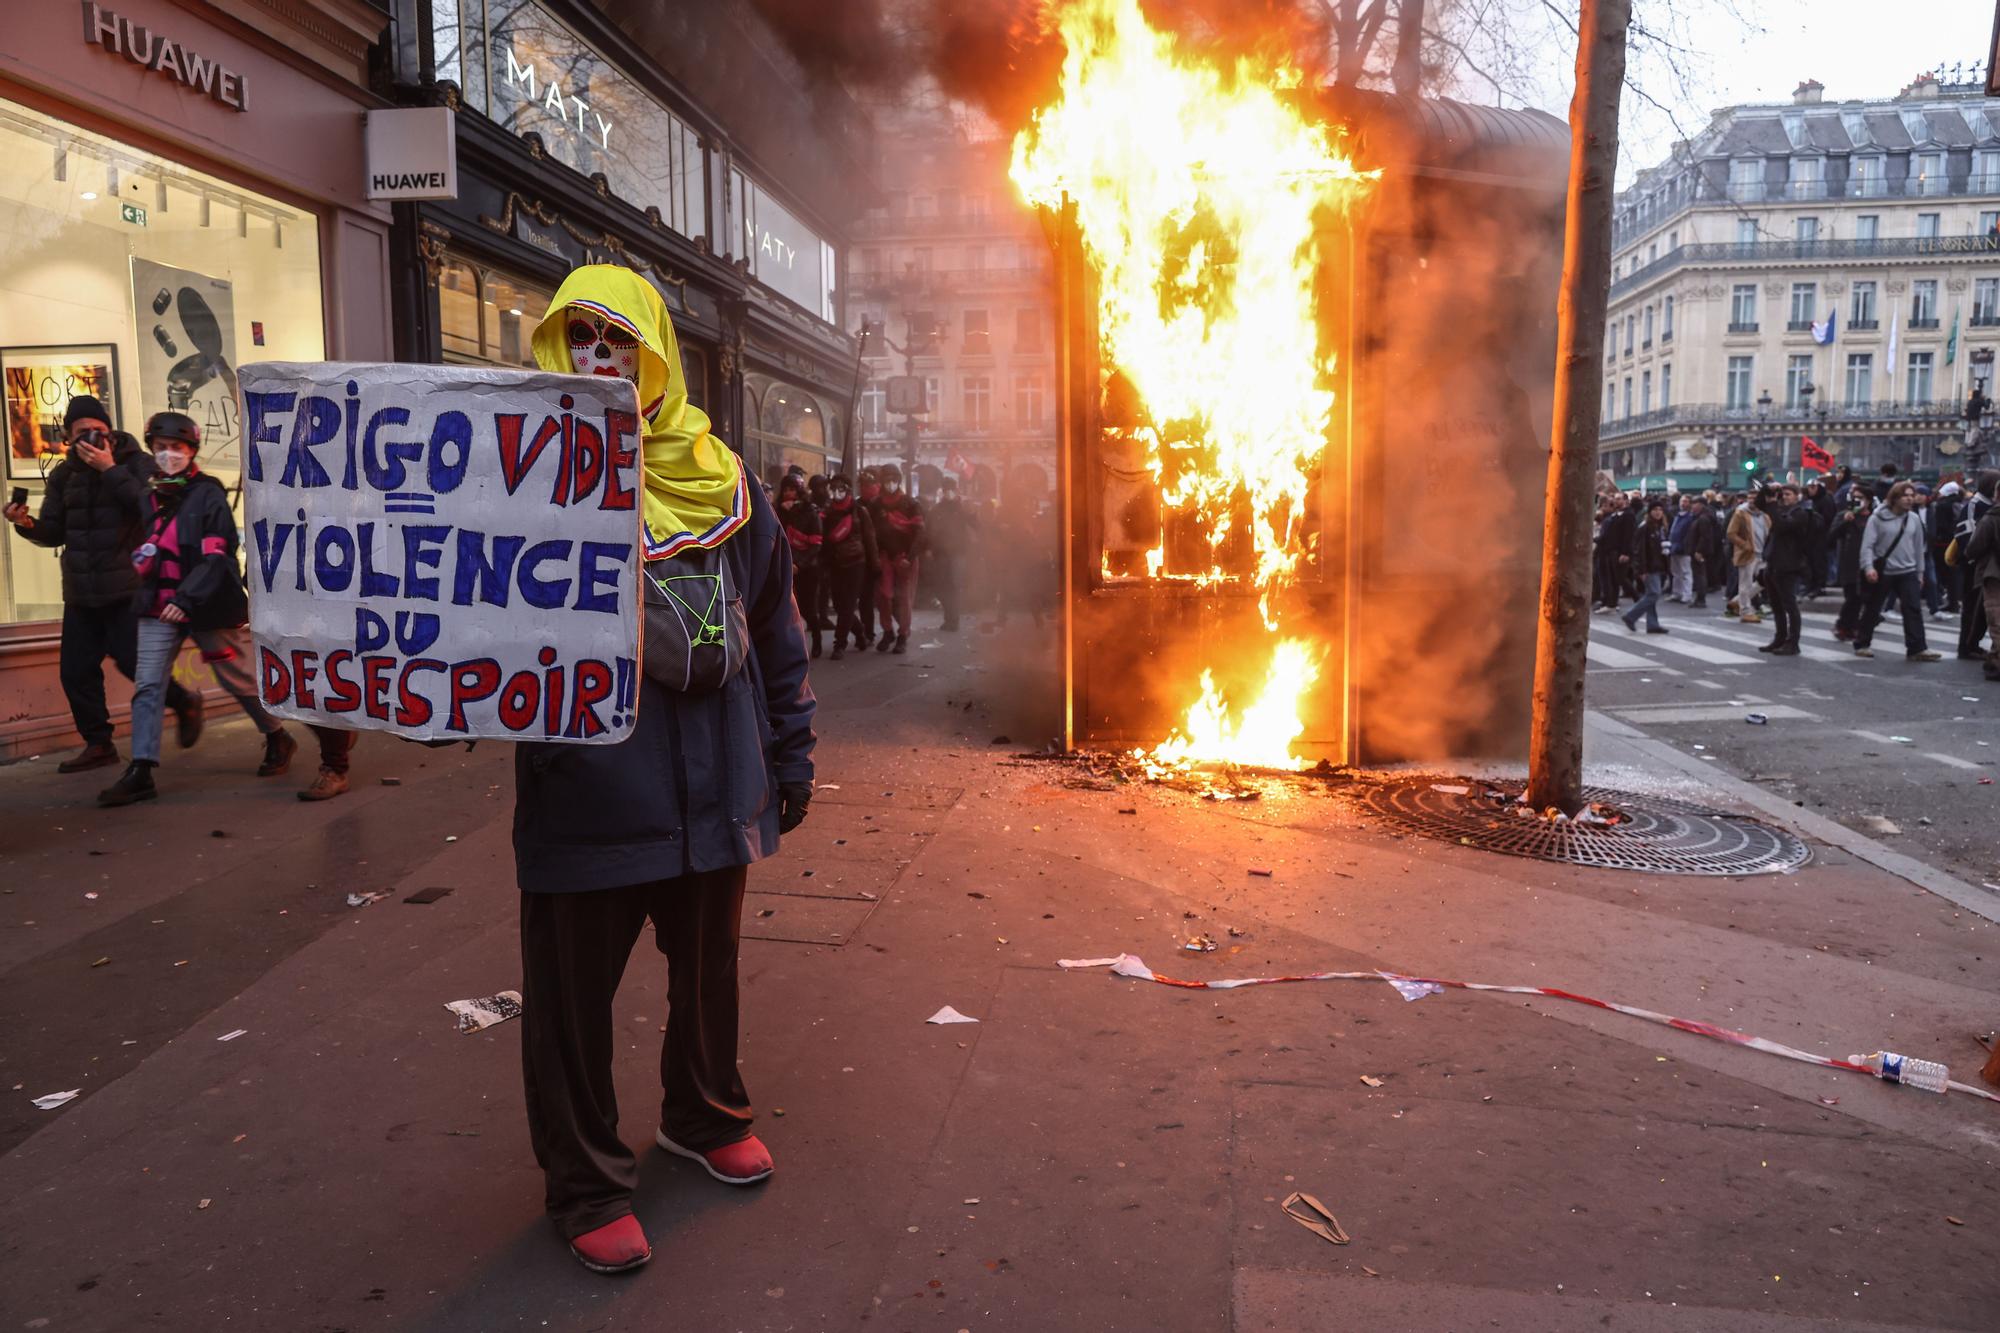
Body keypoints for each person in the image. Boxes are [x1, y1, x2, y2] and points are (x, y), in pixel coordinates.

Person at [515, 265, 815, 1275]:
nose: (599, 359)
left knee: (708, 976)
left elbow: (775, 627)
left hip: (716, 783)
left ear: (655, 357)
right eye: (580, 339)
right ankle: (588, 1182)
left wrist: (788, 752)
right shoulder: (522, 482)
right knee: (570, 1002)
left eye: (618, 340)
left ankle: (702, 1111)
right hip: (591, 790)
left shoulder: (725, 478)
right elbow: (464, 627)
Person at [96, 412, 296, 806]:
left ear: (191, 451)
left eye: (177, 448)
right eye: (161, 448)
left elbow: (218, 554)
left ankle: (277, 734)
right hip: (157, 603)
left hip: (204, 604)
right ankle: (141, 769)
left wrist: (185, 599)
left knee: (236, 679)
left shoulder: (208, 494)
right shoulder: (148, 494)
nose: (168, 455)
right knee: (149, 683)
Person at [4, 394, 204, 773]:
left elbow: (150, 511)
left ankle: (184, 701)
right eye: (82, 434)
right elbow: (55, 531)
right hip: (81, 592)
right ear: (68, 437)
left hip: (127, 588)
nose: (92, 439)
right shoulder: (64, 476)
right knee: (76, 673)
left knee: (135, 665)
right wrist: (25, 523)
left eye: (98, 431)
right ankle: (99, 744)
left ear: (109, 432)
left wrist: (110, 469)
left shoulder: (137, 464)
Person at [1853, 480, 1943, 661]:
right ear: (1894, 498)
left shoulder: (1914, 519)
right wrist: (1868, 567)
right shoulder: (1877, 518)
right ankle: (1862, 643)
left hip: (1907, 570)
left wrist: (1920, 573)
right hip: (1883, 570)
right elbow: (1868, 545)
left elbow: (1919, 548)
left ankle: (1917, 648)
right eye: (1905, 496)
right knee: (1873, 608)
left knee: (1913, 609)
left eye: (1912, 495)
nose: (1910, 499)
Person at [868, 464, 924, 653]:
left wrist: (910, 557)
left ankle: (903, 634)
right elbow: (870, 532)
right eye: (886, 480)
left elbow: (919, 533)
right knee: (884, 595)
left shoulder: (911, 504)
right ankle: (888, 631)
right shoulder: (876, 505)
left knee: (905, 598)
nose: (890, 483)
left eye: (893, 479)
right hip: (885, 555)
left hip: (905, 556)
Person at [820, 474, 876, 659]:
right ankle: (860, 634)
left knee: (847, 605)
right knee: (839, 604)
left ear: (848, 490)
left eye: (840, 489)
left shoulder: (859, 512)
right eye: (833, 489)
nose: (837, 493)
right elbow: (824, 541)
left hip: (856, 564)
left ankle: (840, 643)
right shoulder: (827, 513)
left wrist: (874, 566)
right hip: (836, 564)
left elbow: (870, 540)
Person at [1759, 484, 1814, 656]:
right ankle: (1780, 638)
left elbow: (1781, 525)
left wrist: (1773, 504)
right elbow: (1762, 505)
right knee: (1776, 605)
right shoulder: (1781, 509)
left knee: (1789, 605)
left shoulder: (1801, 513)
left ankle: (1793, 642)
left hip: (1789, 564)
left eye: (1788, 494)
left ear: (1798, 496)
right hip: (1773, 562)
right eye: (1783, 494)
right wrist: (1767, 492)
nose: (1784, 497)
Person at [776, 474, 824, 658]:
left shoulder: (810, 511)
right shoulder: (778, 511)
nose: (788, 493)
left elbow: (816, 543)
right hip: (785, 566)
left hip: (807, 568)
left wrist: (800, 564)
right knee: (787, 609)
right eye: (786, 489)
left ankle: (817, 640)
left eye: (792, 489)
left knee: (808, 608)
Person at [1961, 479, 2000, 681]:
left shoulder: (1992, 517)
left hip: (1994, 574)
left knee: (1996, 619)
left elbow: (1974, 547)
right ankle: (1993, 661)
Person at [927, 477, 976, 631]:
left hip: (958, 552)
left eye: (952, 489)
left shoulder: (963, 508)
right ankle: (950, 617)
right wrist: (929, 548)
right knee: (942, 586)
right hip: (941, 552)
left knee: (953, 586)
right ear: (943, 491)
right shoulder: (937, 509)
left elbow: (976, 525)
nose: (949, 492)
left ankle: (953, 620)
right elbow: (930, 530)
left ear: (956, 490)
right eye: (947, 489)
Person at [1621, 500, 1672, 634]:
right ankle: (1631, 616)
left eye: (1660, 510)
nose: (1658, 512)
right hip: (1649, 566)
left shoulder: (1660, 527)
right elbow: (1639, 550)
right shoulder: (1645, 527)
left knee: (1651, 594)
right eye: (1655, 510)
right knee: (1654, 593)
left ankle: (1652, 624)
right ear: (1649, 512)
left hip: (1658, 564)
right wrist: (1641, 569)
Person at [1831, 489, 1875, 641]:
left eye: (1860, 498)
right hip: (1849, 562)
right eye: (1854, 498)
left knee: (1864, 597)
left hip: (1869, 562)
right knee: (1852, 596)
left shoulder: (1874, 518)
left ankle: (1853, 625)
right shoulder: (1844, 515)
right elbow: (1831, 537)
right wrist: (1845, 521)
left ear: (1868, 500)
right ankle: (1844, 625)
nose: (1857, 501)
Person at [1725, 488, 1769, 624]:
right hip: (1748, 553)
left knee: (1765, 580)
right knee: (1745, 583)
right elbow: (1731, 533)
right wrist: (1745, 545)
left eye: (1754, 498)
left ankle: (1737, 601)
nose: (1751, 501)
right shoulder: (1740, 513)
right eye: (1749, 498)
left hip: (1763, 552)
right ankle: (1745, 611)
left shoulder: (1765, 514)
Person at [1685, 496, 1721, 609]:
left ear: (1701, 505)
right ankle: (1700, 598)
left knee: (1699, 574)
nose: (1692, 506)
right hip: (1699, 550)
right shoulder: (1703, 517)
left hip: (1699, 551)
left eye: (1694, 504)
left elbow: (1705, 536)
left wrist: (1699, 551)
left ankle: (1701, 599)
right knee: (1700, 574)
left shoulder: (1703, 519)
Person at [1667, 495, 1695, 603]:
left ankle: (1687, 594)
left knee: (1685, 572)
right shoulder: (1677, 516)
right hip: (1674, 546)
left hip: (1683, 548)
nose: (1683, 504)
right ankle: (1677, 592)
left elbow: (1688, 534)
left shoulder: (1689, 517)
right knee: (1675, 572)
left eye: (1686, 501)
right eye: (1682, 501)